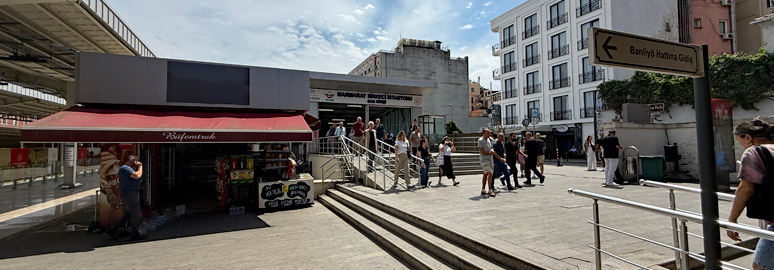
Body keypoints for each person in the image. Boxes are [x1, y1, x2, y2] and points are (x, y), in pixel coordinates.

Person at [726, 119, 774, 270]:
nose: (740, 145)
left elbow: (745, 189)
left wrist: (732, 219)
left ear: (748, 138)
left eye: (739, 141)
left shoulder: (754, 152)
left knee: (760, 265)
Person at [106, 155, 146, 240]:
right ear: (134, 161)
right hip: (130, 194)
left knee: (127, 215)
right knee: (136, 214)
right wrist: (140, 166)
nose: (137, 163)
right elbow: (137, 175)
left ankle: (112, 230)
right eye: (137, 161)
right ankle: (135, 233)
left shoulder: (127, 169)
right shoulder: (125, 168)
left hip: (129, 194)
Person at [478, 129, 497, 197]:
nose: (489, 134)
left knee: (485, 174)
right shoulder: (480, 140)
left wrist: (491, 151)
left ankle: (483, 189)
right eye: (487, 133)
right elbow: (481, 151)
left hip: (490, 159)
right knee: (490, 172)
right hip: (484, 159)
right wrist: (489, 153)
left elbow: (491, 147)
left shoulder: (490, 139)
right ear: (483, 133)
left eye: (490, 133)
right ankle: (490, 190)